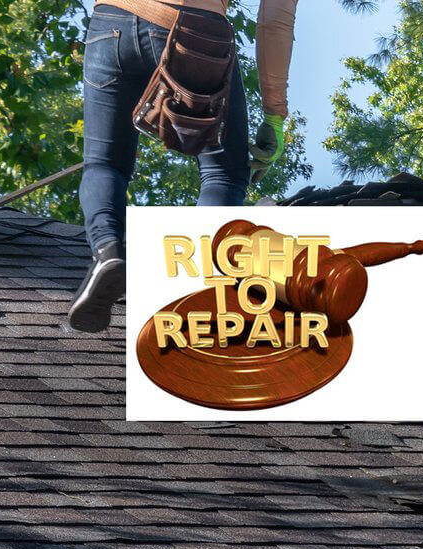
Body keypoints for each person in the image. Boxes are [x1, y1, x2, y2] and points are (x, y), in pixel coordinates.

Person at [68, 0, 298, 332]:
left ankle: (107, 253)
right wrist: (274, 115)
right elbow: (275, 22)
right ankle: (190, 290)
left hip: (110, 21)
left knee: (104, 164)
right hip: (196, 25)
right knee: (224, 174)